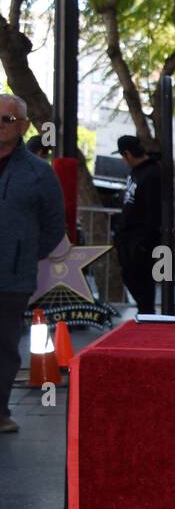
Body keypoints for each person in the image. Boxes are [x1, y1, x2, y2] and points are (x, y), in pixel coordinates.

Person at [0, 95, 66, 434]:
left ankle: (0, 411)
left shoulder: (39, 173)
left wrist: (23, 253)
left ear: (24, 126)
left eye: (8, 119)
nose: (1, 124)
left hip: (12, 277)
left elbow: (55, 225)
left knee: (4, 344)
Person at [115, 135, 163, 315]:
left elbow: (154, 210)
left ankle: (147, 313)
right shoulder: (136, 172)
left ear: (128, 154)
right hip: (129, 236)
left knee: (141, 280)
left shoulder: (152, 173)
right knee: (130, 276)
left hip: (141, 239)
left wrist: (145, 241)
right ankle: (145, 312)